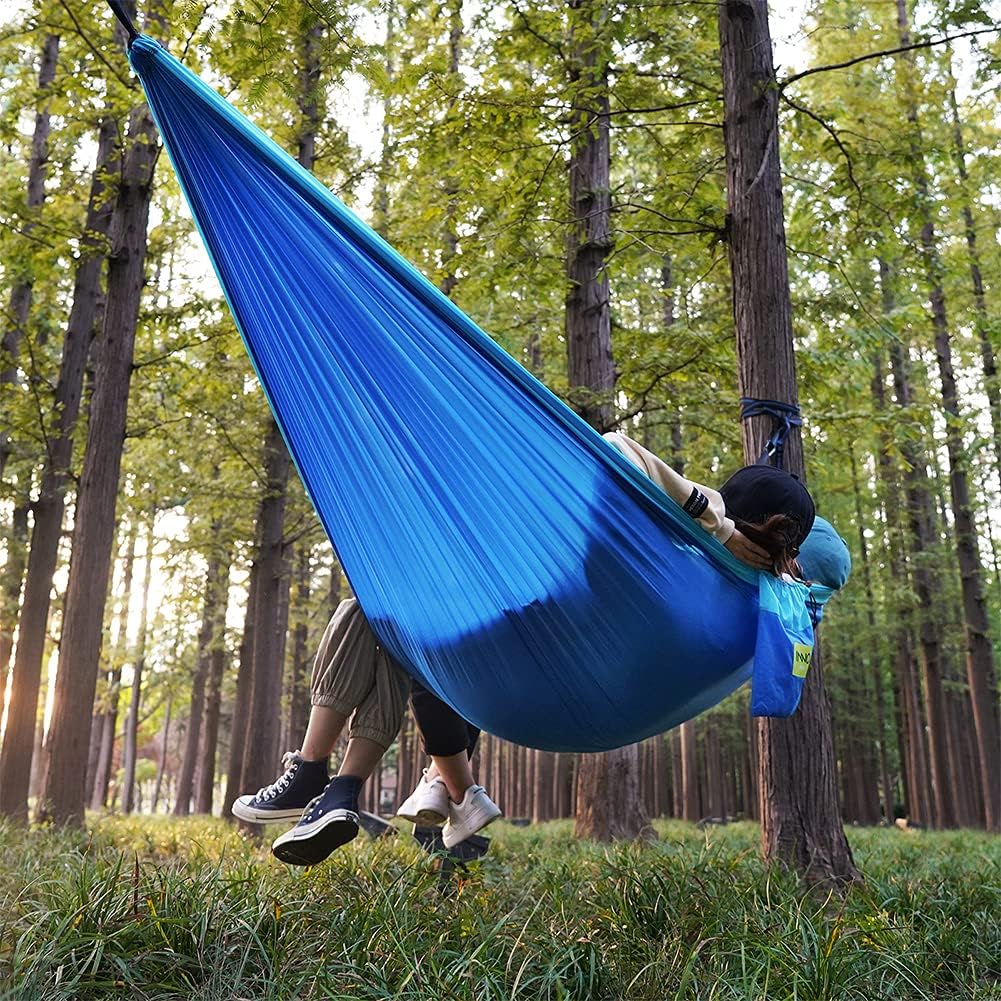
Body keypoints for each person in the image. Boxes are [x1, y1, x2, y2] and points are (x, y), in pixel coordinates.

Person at [232, 599, 499, 865]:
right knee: (396, 637)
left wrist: (457, 785)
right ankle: (347, 788)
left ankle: (314, 772)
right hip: (495, 637)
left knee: (366, 610)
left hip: (472, 621)